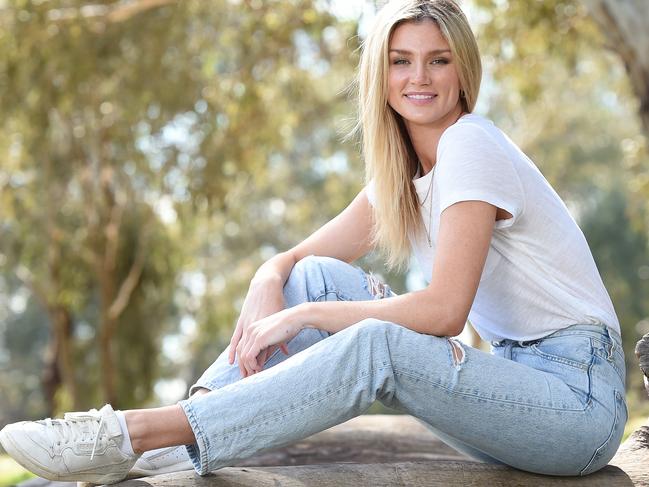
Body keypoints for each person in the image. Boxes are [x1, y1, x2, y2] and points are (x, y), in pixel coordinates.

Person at [0, 0, 626, 483]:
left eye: (439, 59)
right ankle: (179, 439)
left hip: (576, 403)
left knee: (371, 340)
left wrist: (302, 316)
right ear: (380, 74)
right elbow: (299, 261)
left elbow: (442, 313)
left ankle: (134, 435)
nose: (420, 77)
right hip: (509, 383)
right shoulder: (406, 171)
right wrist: (267, 281)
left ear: (464, 70)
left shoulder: (471, 144)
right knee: (318, 276)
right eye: (402, 60)